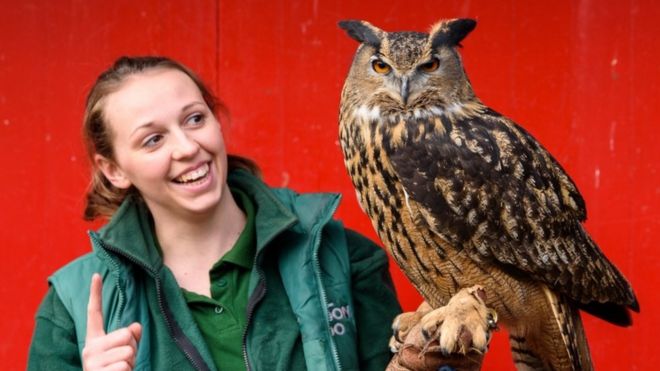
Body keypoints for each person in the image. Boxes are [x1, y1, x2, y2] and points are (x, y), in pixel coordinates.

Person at [27, 56, 403, 371]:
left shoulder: (340, 259)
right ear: (114, 169)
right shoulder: (70, 305)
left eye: (194, 119)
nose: (188, 147)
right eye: (153, 139)